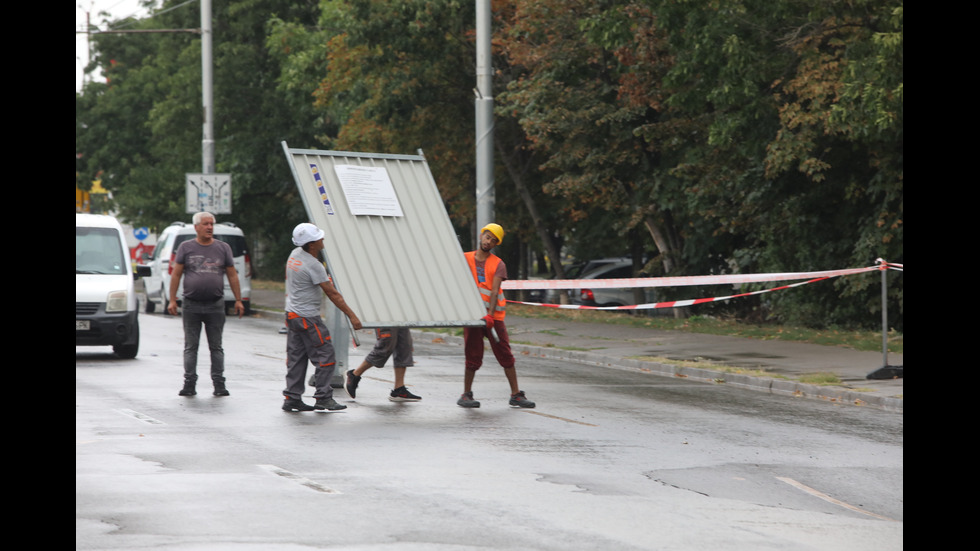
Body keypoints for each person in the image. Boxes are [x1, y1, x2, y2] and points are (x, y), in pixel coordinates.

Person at [283, 222, 363, 412]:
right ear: (311, 244)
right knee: (326, 357)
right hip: (308, 319)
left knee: (297, 358)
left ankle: (292, 398)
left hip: (292, 315)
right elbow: (333, 294)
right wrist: (353, 317)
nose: (322, 238)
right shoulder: (313, 265)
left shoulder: (294, 255)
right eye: (319, 237)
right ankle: (323, 398)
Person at [458, 223, 535, 408]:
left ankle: (516, 394)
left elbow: (494, 291)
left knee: (505, 354)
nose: (489, 241)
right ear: (481, 235)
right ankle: (466, 395)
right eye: (487, 237)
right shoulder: (464, 259)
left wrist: (490, 316)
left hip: (493, 319)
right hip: (473, 318)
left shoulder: (498, 264)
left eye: (493, 240)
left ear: (495, 244)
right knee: (472, 355)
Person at [168, 211, 245, 397]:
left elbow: (232, 274)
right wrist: (172, 299)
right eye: (205, 224)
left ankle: (219, 384)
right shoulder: (186, 247)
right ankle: (189, 384)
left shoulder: (223, 248)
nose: (210, 227)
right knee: (191, 347)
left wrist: (238, 299)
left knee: (216, 347)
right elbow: (176, 274)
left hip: (215, 305)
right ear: (196, 227)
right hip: (191, 305)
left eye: (212, 224)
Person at [343, 327, 421, 402]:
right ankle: (354, 375)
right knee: (385, 346)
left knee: (404, 346)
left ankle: (399, 389)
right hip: (384, 316)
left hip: (400, 316)